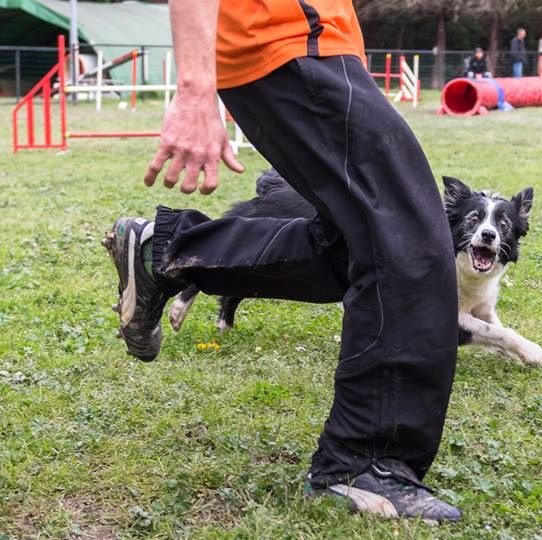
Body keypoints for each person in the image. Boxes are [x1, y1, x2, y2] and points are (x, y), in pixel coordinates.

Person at [102, 0, 462, 523]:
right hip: (288, 41)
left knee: (356, 245)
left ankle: (166, 249)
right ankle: (364, 463)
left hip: (311, 47)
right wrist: (194, 89)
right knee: (408, 240)